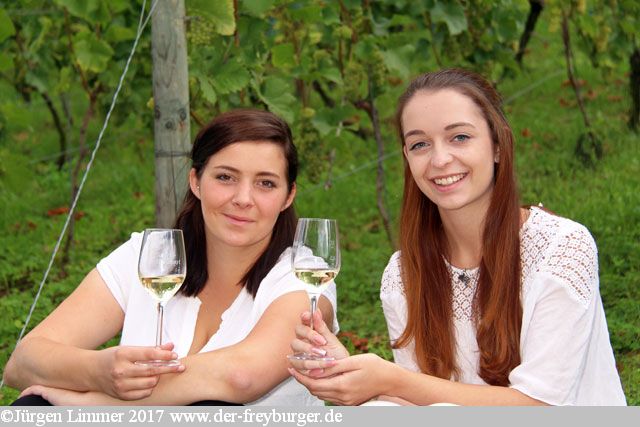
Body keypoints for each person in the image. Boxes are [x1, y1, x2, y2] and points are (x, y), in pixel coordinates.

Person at [288, 68, 626, 406]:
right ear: (407, 158)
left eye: (460, 137)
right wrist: (351, 374)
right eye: (420, 144)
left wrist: (391, 381)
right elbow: (423, 403)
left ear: (497, 145)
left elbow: (540, 407)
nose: (439, 159)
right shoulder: (404, 273)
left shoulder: (561, 249)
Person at [4, 108, 338, 406]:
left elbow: (241, 377)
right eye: (225, 177)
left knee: (211, 407)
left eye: (265, 183)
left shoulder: (305, 278)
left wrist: (92, 404)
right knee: (34, 405)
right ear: (196, 181)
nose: (243, 198)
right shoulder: (148, 257)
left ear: (288, 196)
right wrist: (98, 371)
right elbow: (22, 362)